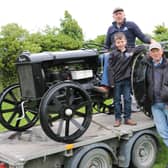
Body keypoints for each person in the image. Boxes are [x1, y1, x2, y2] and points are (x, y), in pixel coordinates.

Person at [95, 7, 155, 93]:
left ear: (124, 15)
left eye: (120, 13)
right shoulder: (110, 29)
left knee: (108, 56)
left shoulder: (131, 25)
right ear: (113, 16)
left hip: (127, 52)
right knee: (98, 58)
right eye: (116, 14)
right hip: (114, 52)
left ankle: (106, 86)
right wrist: (104, 51)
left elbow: (142, 36)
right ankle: (93, 82)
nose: (118, 16)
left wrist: (151, 41)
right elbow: (106, 45)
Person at [108, 32, 145, 127]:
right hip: (116, 81)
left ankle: (127, 118)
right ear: (115, 43)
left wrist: (136, 48)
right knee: (116, 101)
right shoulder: (113, 54)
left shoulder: (130, 51)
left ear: (125, 41)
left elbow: (141, 48)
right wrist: (111, 82)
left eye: (122, 41)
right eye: (118, 42)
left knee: (127, 99)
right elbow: (110, 68)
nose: (120, 44)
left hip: (126, 81)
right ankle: (117, 119)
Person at [141, 42, 168, 147]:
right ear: (150, 54)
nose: (156, 53)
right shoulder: (148, 66)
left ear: (162, 52)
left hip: (167, 103)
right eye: (153, 51)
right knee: (163, 133)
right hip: (155, 106)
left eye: (157, 51)